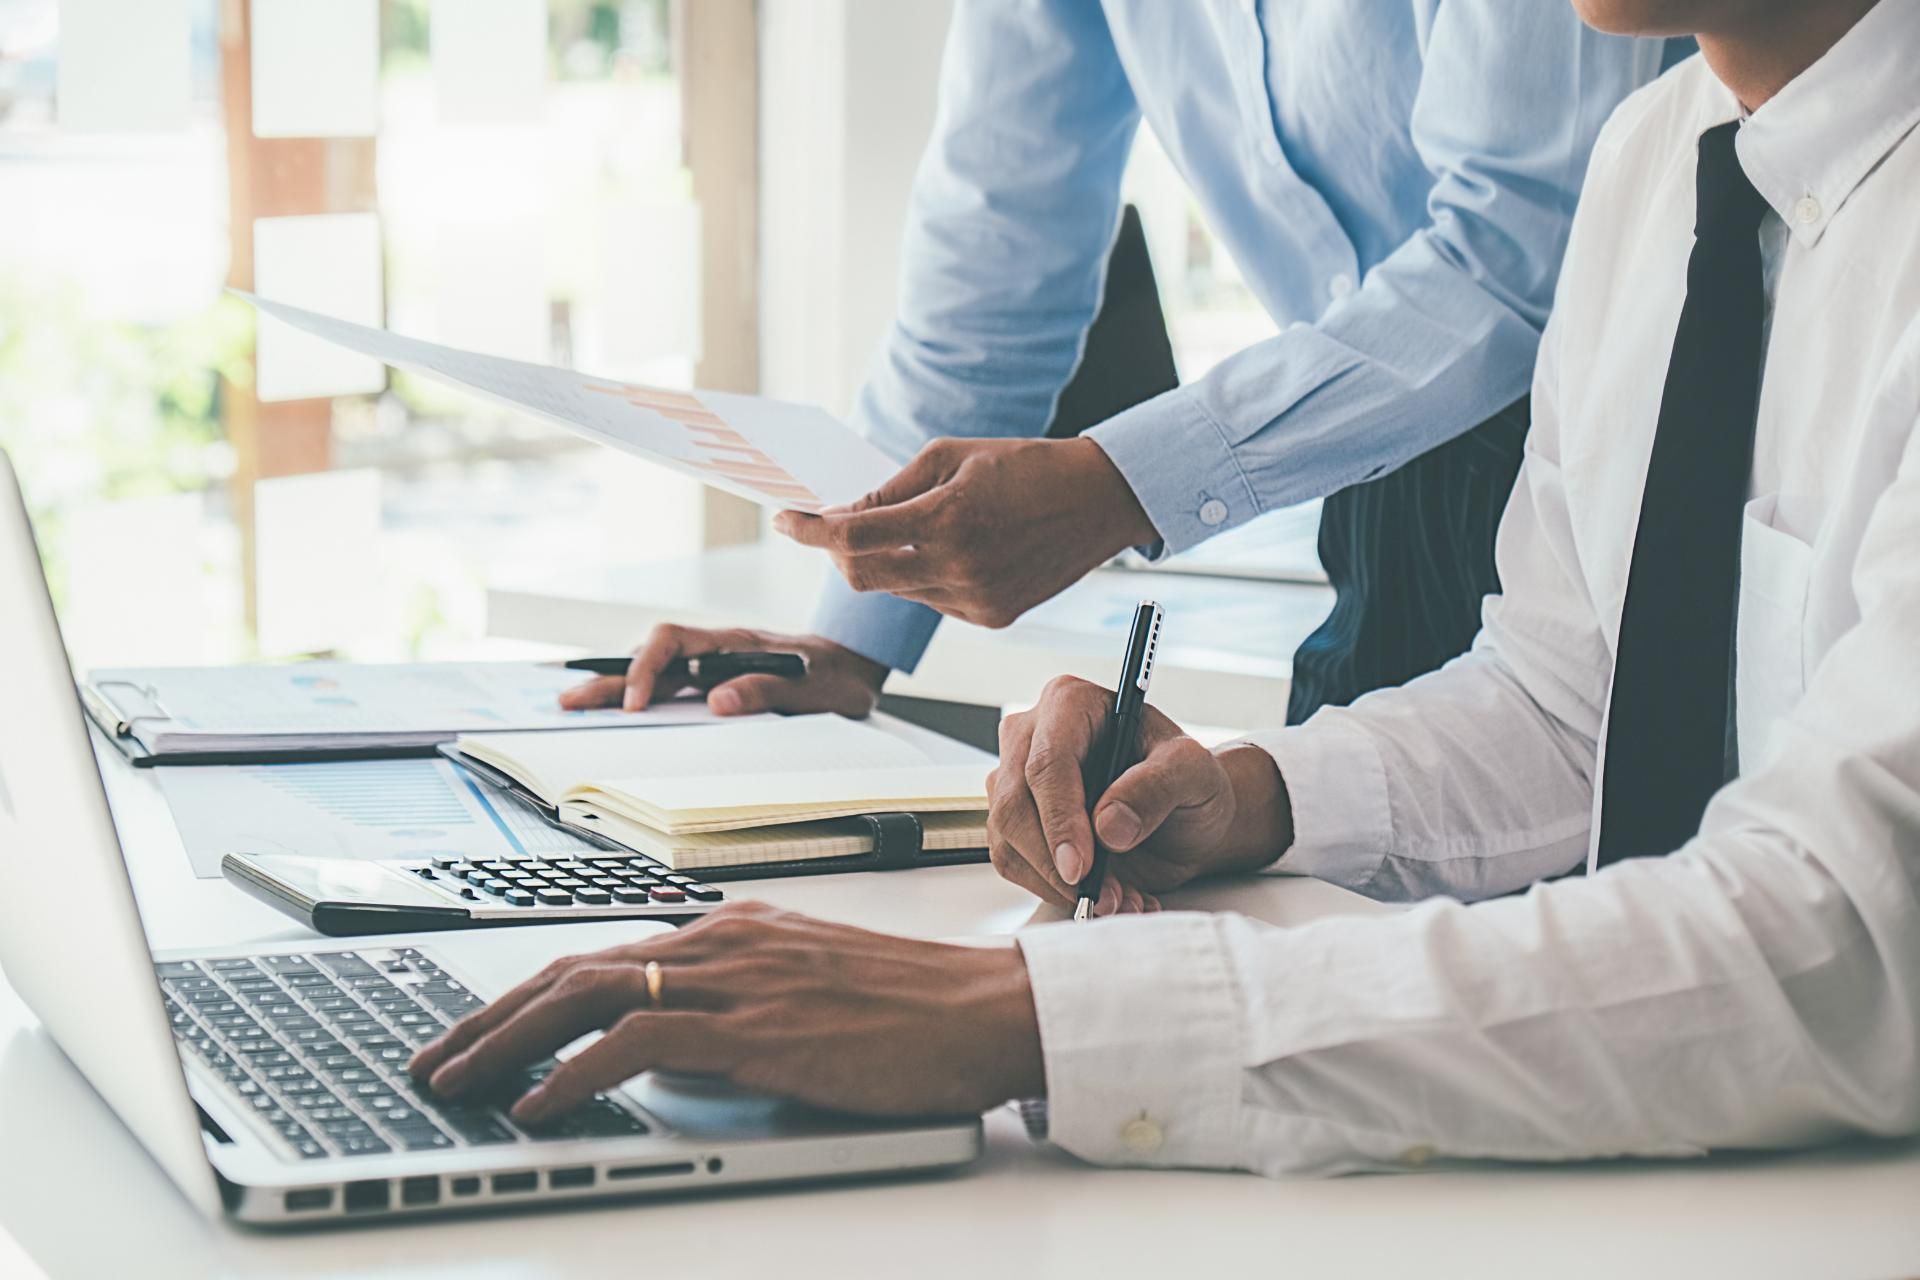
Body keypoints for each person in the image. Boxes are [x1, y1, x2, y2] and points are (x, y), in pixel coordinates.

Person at [415, 0, 1920, 1176]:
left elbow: (1849, 942)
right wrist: (1251, 796)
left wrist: (1024, 1016)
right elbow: (1569, 706)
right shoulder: (1663, 156)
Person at [560, 6, 1686, 727]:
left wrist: (1122, 483)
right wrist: (846, 640)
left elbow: (1525, 249)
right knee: (1344, 947)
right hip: (1383, 479)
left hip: (1649, 445)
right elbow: (996, 257)